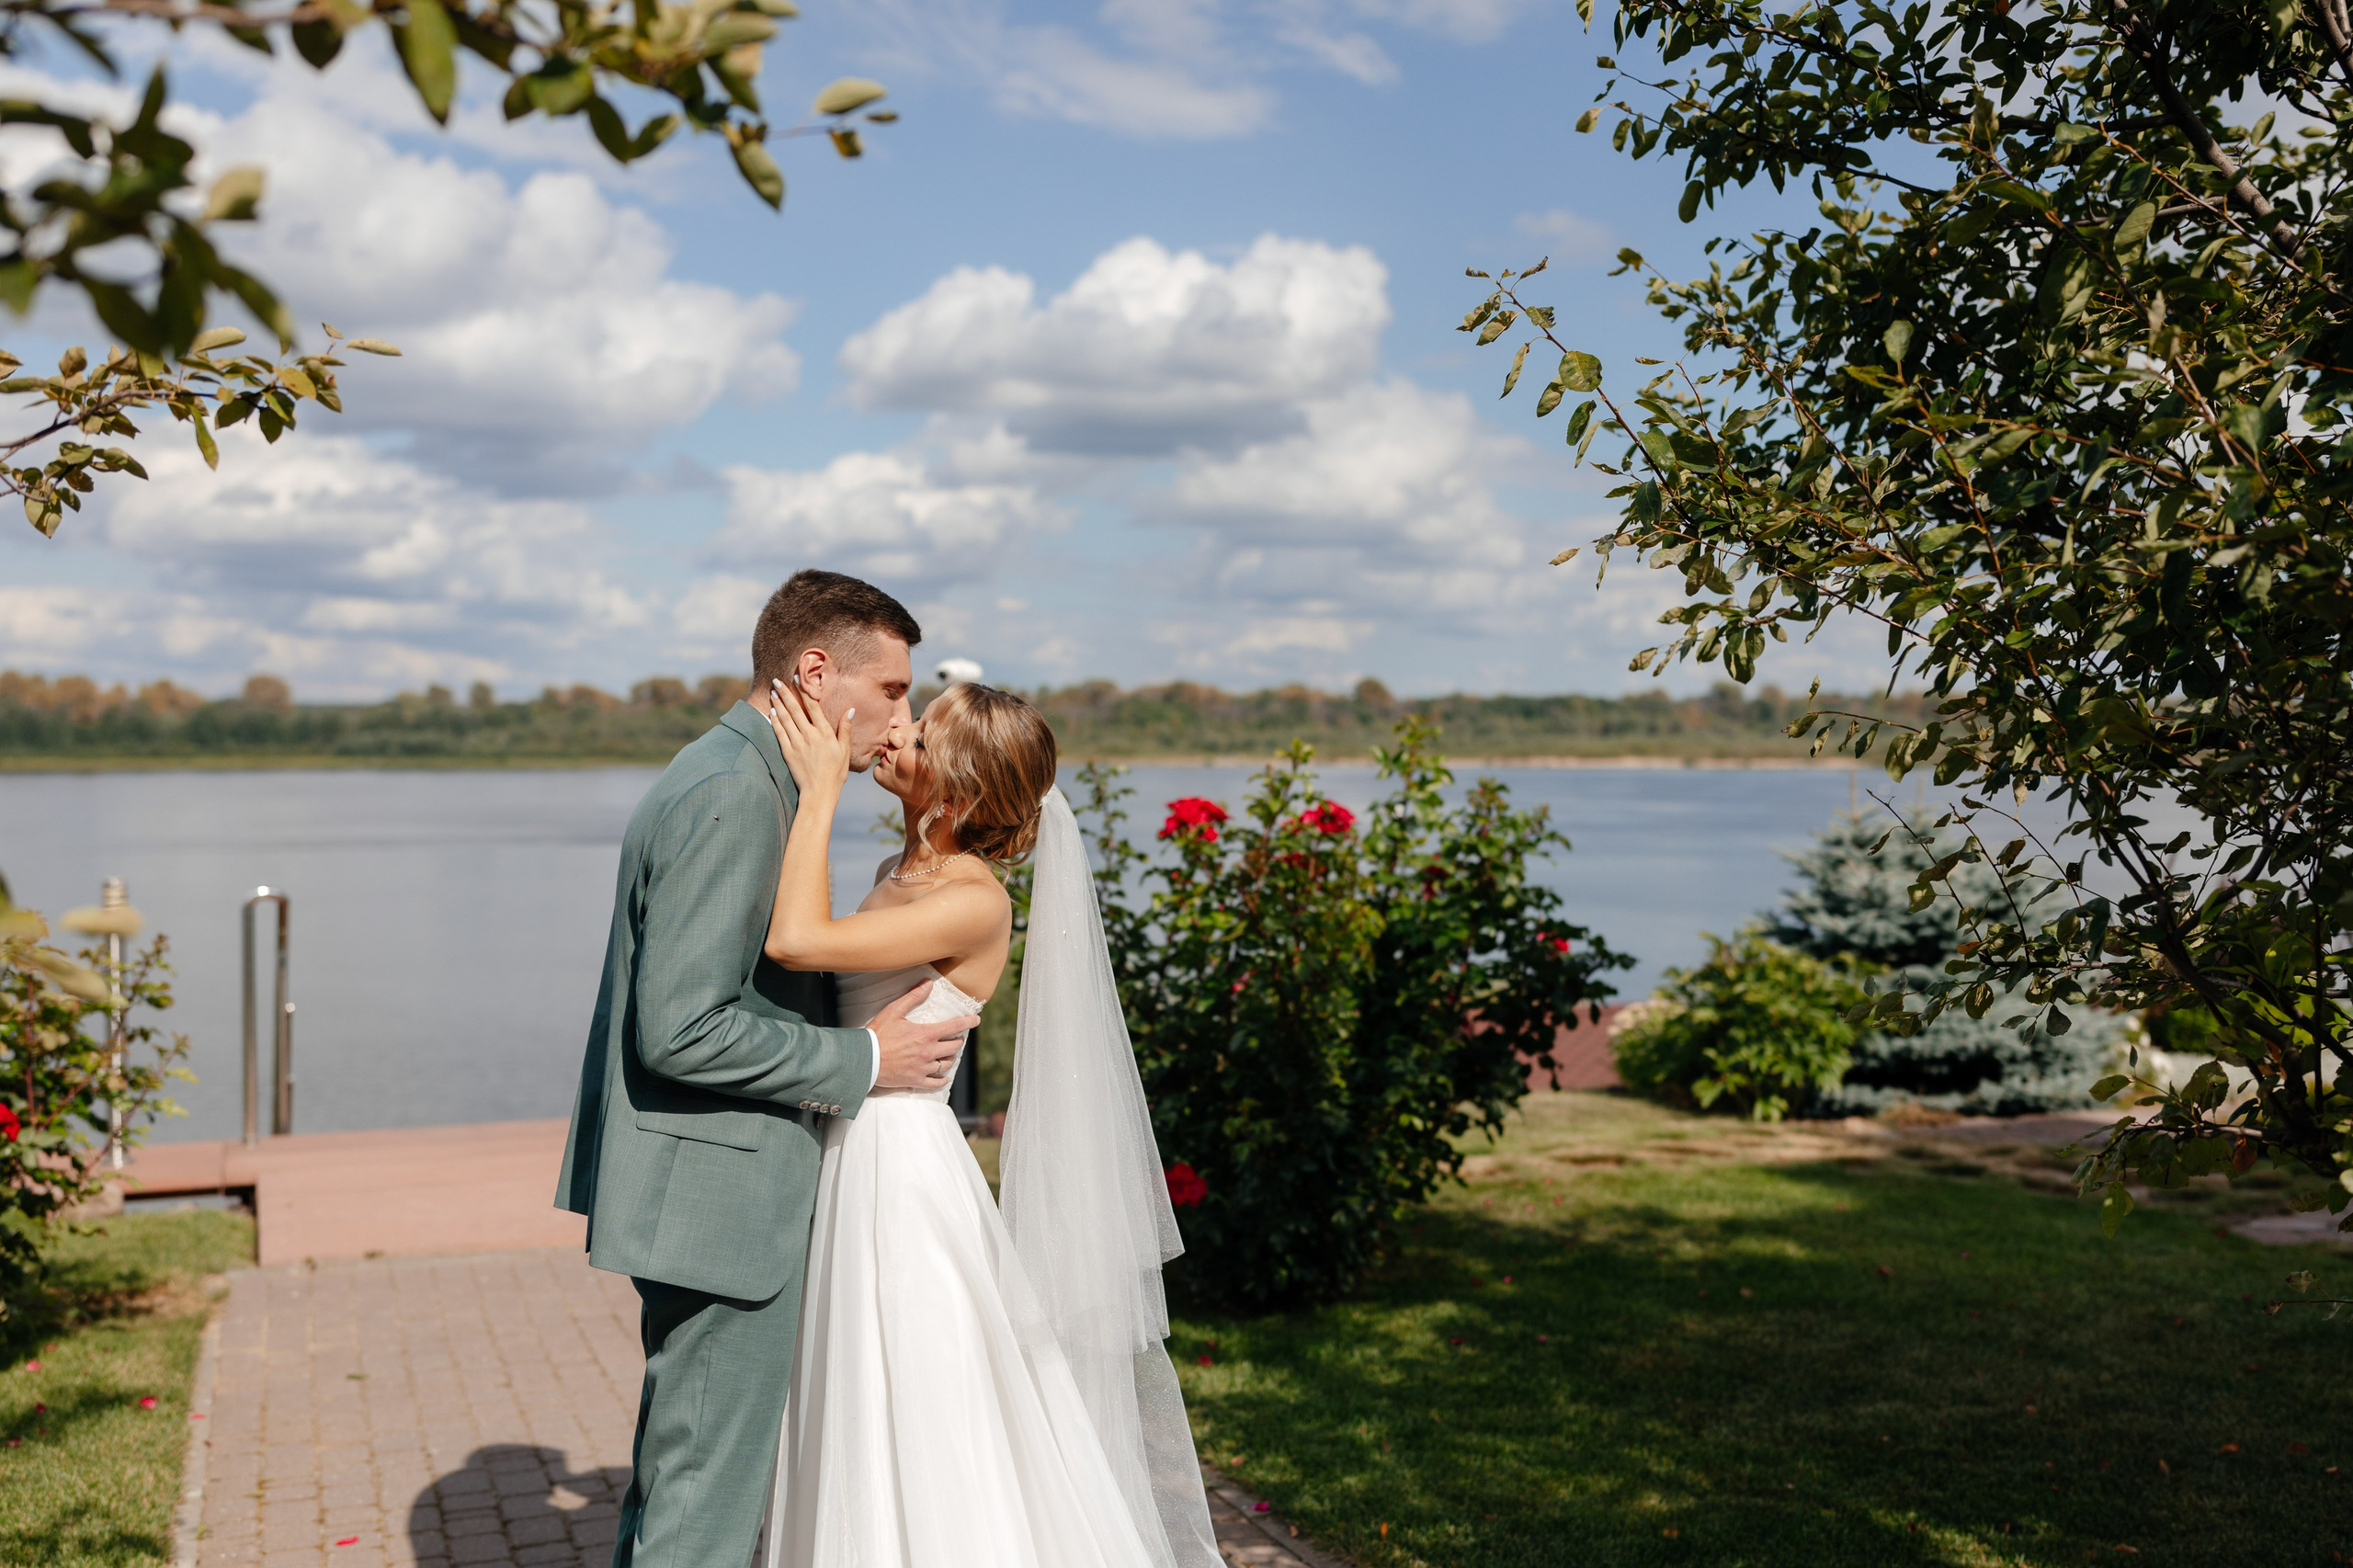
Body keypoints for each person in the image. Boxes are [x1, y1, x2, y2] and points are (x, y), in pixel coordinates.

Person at [554, 570, 979, 1568]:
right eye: (890, 692)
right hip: (716, 1198)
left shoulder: (752, 778)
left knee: (682, 1484)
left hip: (710, 1186)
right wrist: (865, 1056)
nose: (899, 719)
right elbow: (683, 1027)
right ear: (815, 669)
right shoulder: (735, 794)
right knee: (702, 1504)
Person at [756, 674, 1220, 1568]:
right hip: (852, 1150)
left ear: (960, 792)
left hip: (901, 1172)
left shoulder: (971, 898)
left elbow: (798, 941)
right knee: (853, 1389)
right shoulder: (903, 871)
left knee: (919, 1395)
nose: (898, 734)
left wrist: (820, 787)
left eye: (921, 735)